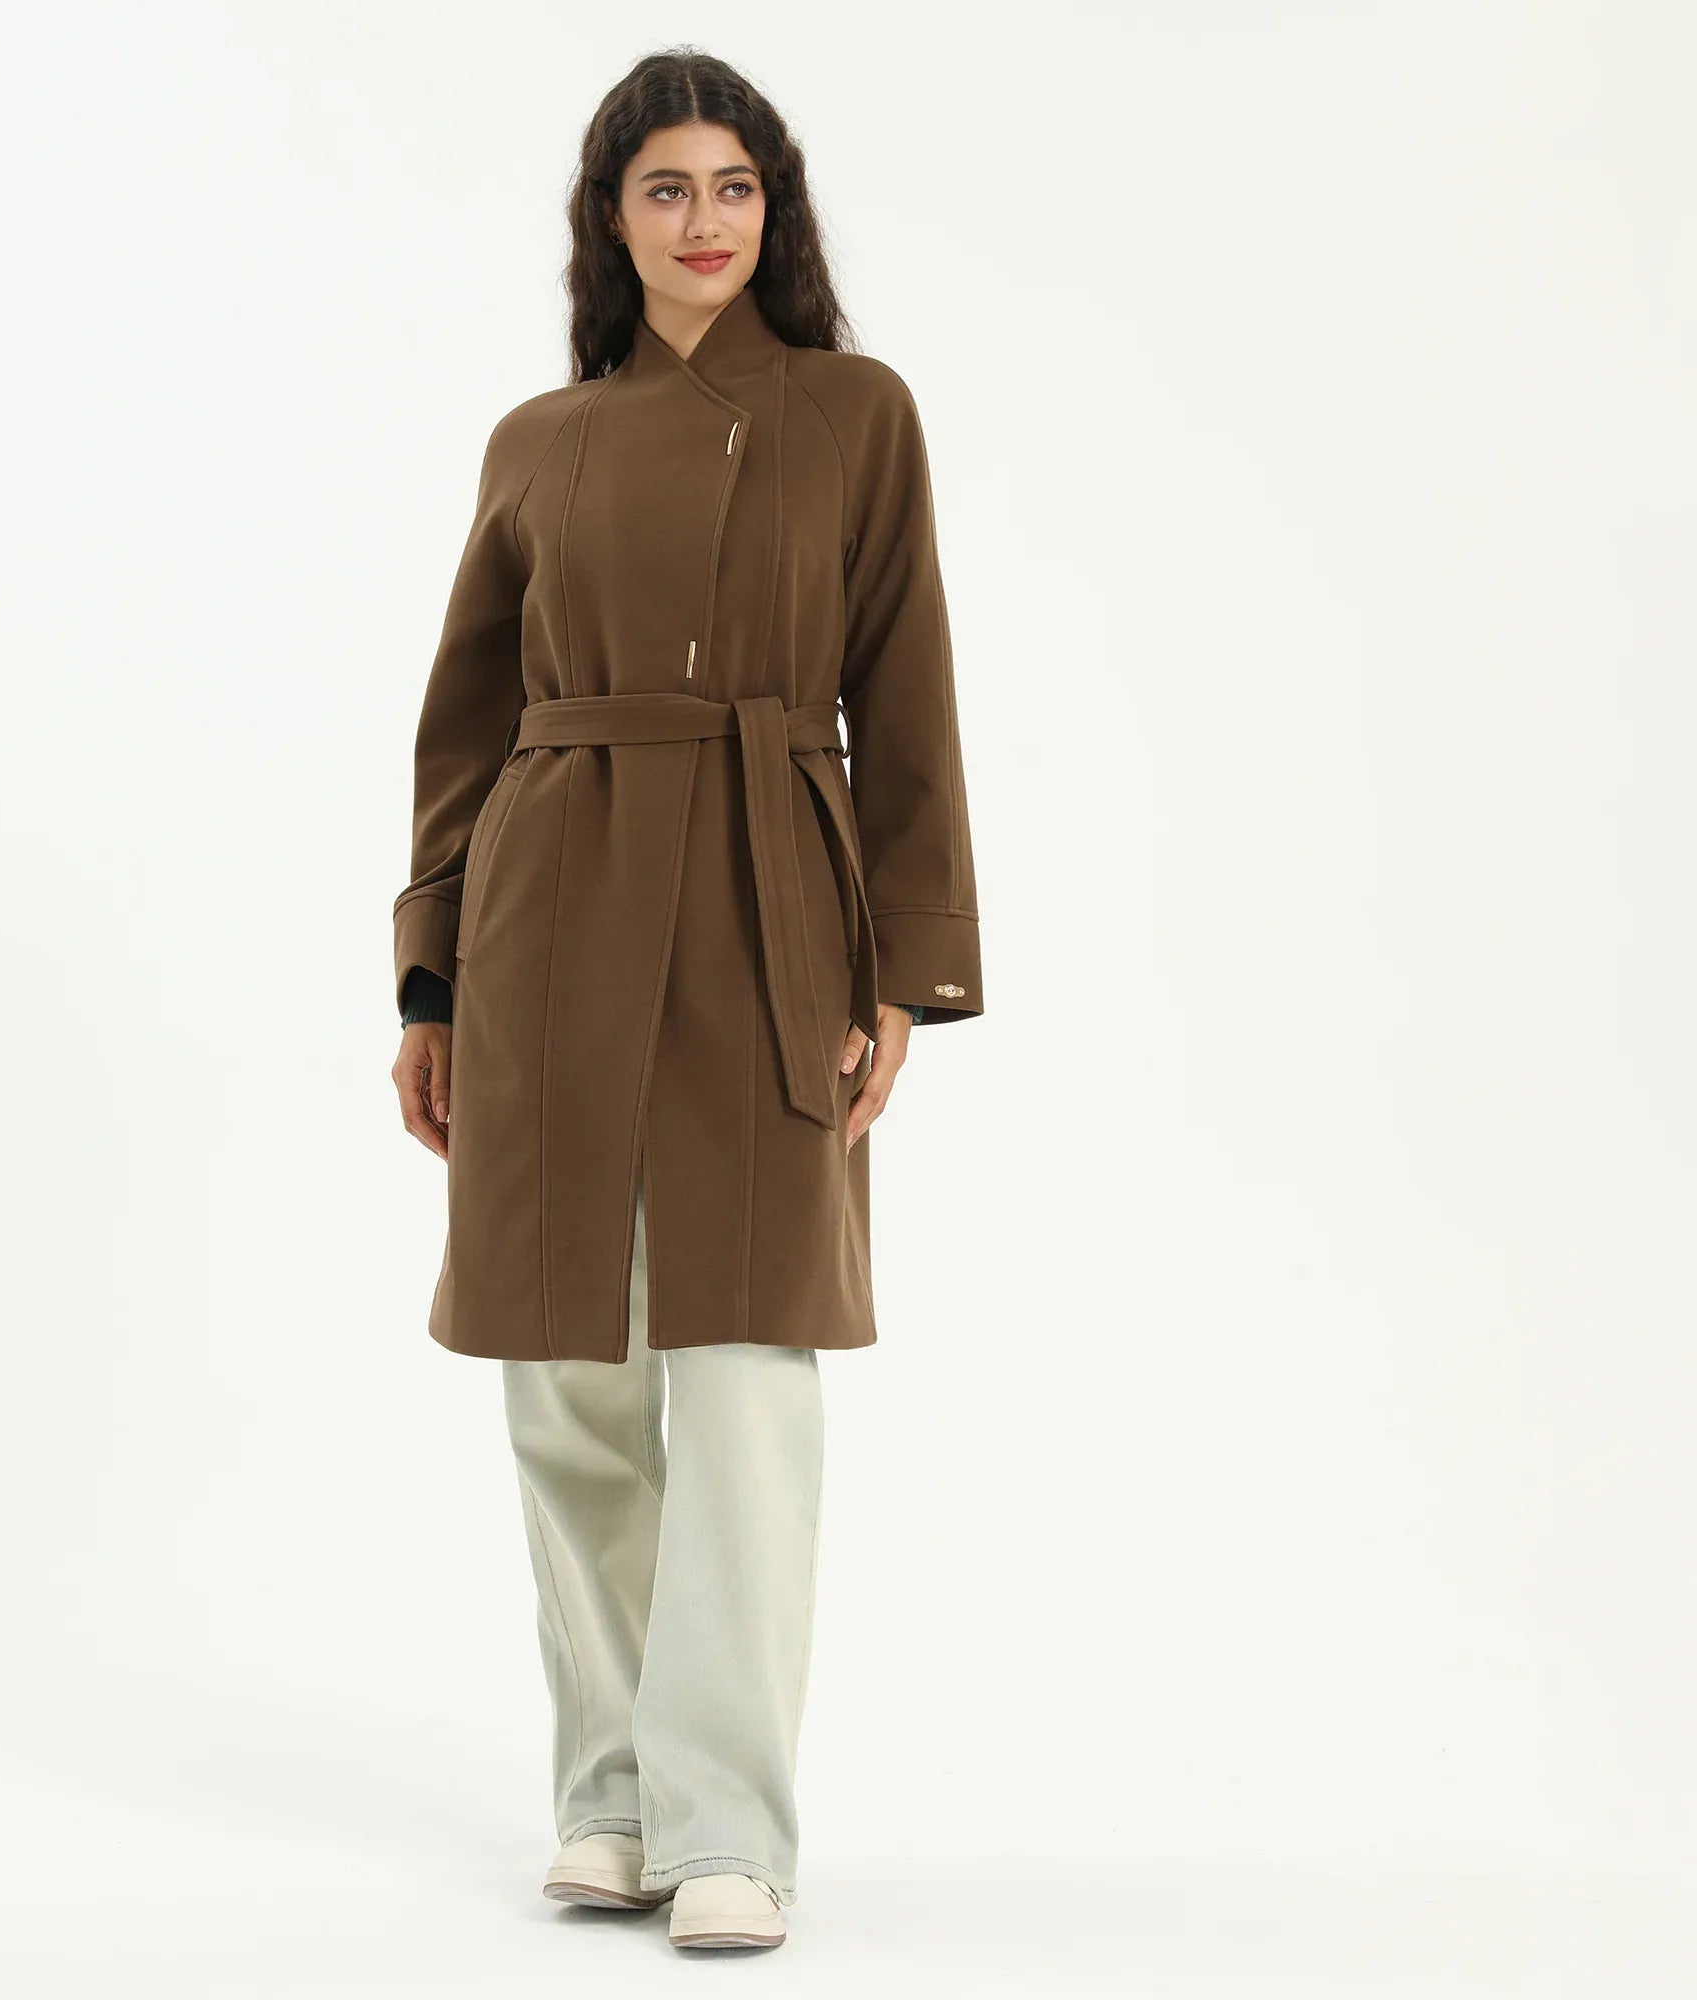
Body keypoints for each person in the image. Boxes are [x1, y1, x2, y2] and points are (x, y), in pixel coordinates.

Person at [389, 47, 983, 1952]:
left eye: (735, 185)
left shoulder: (853, 414)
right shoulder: (538, 441)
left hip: (761, 895)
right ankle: (614, 1797)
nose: (703, 219)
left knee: (737, 1373)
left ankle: (730, 1823)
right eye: (666, 187)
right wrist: (432, 979)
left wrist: (901, 967)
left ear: (773, 209)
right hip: (549, 908)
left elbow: (905, 694)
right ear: (612, 219)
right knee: (570, 1374)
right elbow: (468, 723)